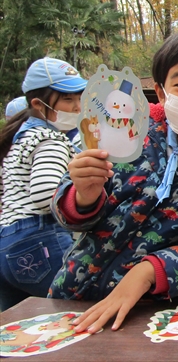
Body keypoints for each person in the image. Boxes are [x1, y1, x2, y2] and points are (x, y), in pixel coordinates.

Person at [48, 25, 178, 334]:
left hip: (156, 317)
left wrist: (147, 272)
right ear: (160, 91)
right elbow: (67, 214)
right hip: (71, 300)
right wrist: (83, 195)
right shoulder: (122, 134)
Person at [0, 58, 87, 310]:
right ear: (38, 104)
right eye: (68, 99)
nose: (77, 106)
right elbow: (43, 195)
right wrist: (82, 197)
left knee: (16, 328)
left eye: (79, 97)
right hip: (39, 240)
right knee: (80, 310)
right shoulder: (51, 140)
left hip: (6, 242)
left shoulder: (20, 136)